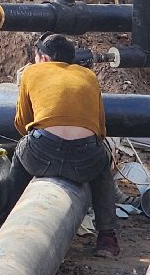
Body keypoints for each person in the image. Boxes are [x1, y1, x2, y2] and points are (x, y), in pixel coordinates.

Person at [11, 33, 121, 258]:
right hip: (85, 162)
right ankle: (107, 238)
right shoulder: (89, 76)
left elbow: (22, 123)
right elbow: (101, 129)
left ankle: (6, 218)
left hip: (41, 157)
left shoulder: (31, 72)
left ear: (43, 58)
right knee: (103, 170)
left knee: (19, 153)